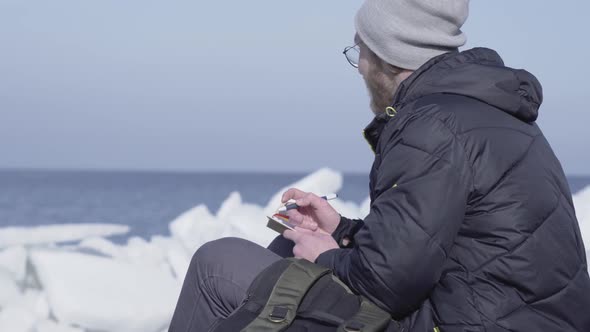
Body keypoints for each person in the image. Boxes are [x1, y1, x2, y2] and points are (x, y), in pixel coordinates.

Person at [169, 0, 590, 331]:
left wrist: (326, 258)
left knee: (216, 263)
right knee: (287, 245)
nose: (360, 66)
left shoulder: (430, 126)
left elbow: (388, 284)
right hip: (500, 315)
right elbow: (434, 244)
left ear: (388, 56)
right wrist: (340, 231)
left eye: (361, 50)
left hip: (466, 322)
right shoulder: (492, 116)